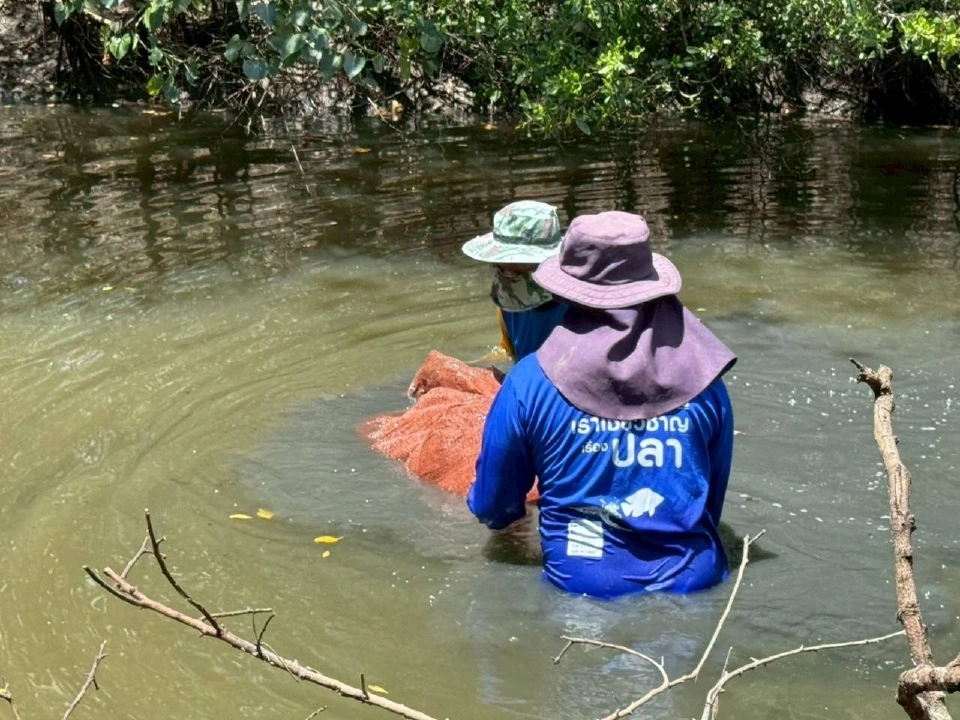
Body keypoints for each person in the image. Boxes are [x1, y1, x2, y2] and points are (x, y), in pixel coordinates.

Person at [467, 211, 738, 599]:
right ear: (652, 286)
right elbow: (710, 504)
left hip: (584, 586)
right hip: (694, 581)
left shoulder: (530, 381)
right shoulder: (706, 380)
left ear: (564, 291)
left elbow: (494, 506)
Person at [462, 200, 568, 360]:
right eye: (503, 261)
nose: (509, 273)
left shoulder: (578, 306)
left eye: (519, 262)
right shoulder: (508, 303)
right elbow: (508, 352)